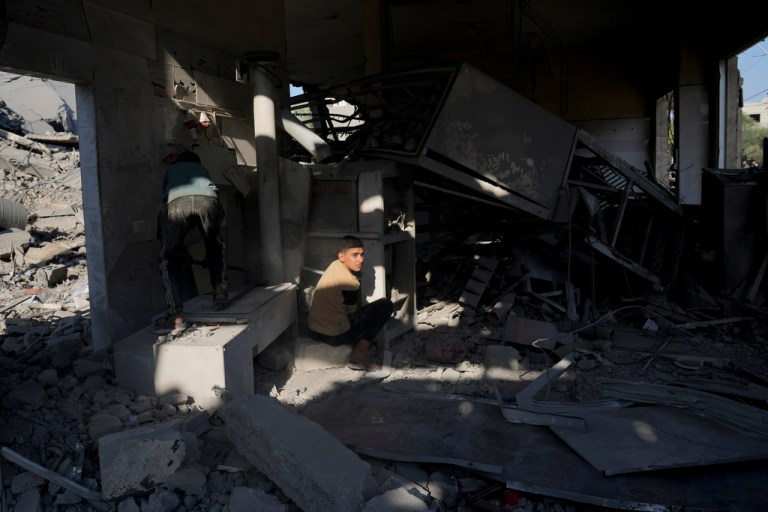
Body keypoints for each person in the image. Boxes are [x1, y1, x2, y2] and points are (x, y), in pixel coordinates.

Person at [155, 151, 228, 335]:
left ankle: (175, 316)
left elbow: (166, 208)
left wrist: (178, 251)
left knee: (168, 258)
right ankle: (220, 292)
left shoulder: (170, 172)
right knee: (215, 245)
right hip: (209, 200)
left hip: (177, 204)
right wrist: (209, 256)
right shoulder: (202, 170)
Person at [308, 235, 394, 370]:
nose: (360, 259)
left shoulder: (334, 265)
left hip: (313, 331)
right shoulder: (350, 282)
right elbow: (351, 313)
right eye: (355, 255)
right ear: (342, 256)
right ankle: (359, 353)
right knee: (386, 305)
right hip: (333, 337)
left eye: (362, 254)